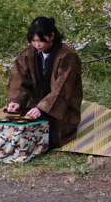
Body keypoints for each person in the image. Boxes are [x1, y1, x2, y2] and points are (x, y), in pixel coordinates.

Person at [5, 17, 83, 149]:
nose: (37, 45)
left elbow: (63, 87)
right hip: (35, 103)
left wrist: (43, 109)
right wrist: (16, 101)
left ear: (52, 36)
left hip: (60, 107)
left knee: (49, 138)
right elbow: (20, 78)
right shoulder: (28, 53)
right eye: (33, 40)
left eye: (40, 40)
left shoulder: (67, 55)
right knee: (15, 131)